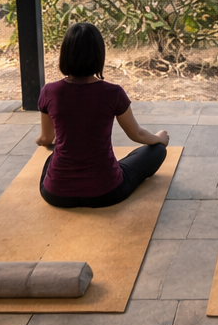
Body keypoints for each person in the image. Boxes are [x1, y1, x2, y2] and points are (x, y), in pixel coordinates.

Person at [37, 22, 168, 208]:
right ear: (100, 56)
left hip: (56, 194)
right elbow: (136, 134)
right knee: (156, 151)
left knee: (52, 158)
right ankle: (111, 168)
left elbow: (46, 137)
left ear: (64, 55)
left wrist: (41, 141)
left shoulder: (50, 91)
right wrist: (159, 138)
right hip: (107, 192)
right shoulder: (113, 93)